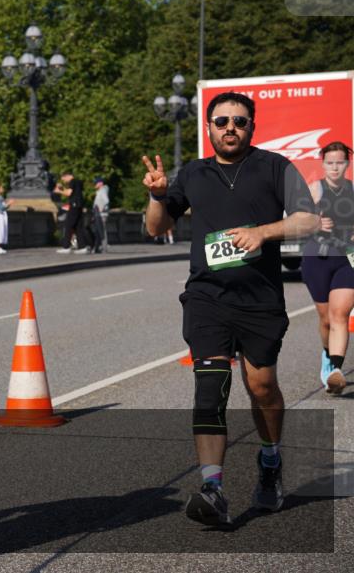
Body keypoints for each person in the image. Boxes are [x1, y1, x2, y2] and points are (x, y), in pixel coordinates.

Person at [142, 90, 318, 527]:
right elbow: (155, 228)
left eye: (239, 121)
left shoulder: (274, 166)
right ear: (209, 127)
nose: (230, 129)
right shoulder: (194, 173)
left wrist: (264, 232)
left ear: (252, 125)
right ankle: (213, 487)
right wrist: (159, 196)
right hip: (206, 297)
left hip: (260, 301)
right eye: (222, 122)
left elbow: (309, 219)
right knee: (210, 388)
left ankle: (271, 460)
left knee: (261, 388)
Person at [300, 141, 354, 395]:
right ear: (323, 164)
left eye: (339, 162)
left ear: (347, 164)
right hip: (317, 258)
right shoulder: (315, 190)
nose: (334, 167)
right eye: (330, 162)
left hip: (347, 259)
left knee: (340, 314)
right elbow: (298, 223)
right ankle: (326, 354)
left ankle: (336, 370)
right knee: (325, 319)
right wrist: (316, 223)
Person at [55, 171, 90, 254]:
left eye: (63, 179)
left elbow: (69, 193)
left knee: (68, 225)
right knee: (78, 227)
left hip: (74, 206)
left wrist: (59, 191)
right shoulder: (78, 182)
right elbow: (73, 192)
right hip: (79, 206)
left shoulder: (72, 182)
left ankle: (66, 247)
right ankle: (82, 247)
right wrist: (62, 188)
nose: (64, 181)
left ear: (67, 176)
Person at [91, 176, 109, 253]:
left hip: (101, 214)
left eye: (96, 183)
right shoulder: (101, 190)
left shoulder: (102, 191)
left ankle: (104, 248)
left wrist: (101, 208)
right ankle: (98, 247)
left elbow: (106, 200)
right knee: (98, 231)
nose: (94, 184)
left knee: (102, 231)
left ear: (100, 183)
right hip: (99, 214)